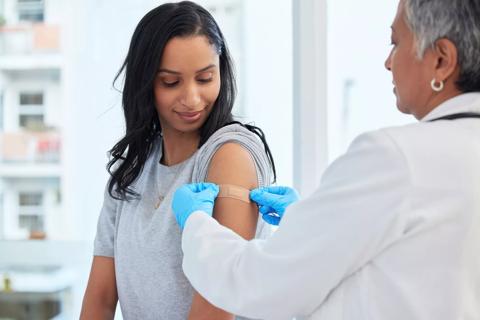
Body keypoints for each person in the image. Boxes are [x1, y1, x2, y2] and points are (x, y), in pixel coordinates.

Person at [171, 0, 480, 319]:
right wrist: (305, 222)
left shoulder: (397, 157)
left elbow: (264, 285)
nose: (388, 62)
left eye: (396, 42)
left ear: (442, 60)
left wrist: (197, 226)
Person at [80, 2, 276, 319]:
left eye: (204, 78)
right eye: (171, 82)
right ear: (146, 83)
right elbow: (100, 298)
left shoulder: (230, 154)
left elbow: (217, 303)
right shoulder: (131, 171)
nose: (192, 99)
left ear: (221, 73)